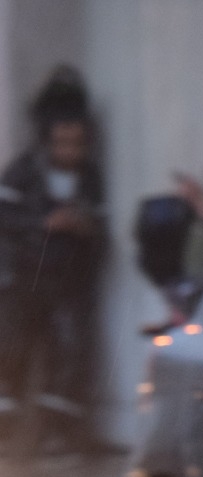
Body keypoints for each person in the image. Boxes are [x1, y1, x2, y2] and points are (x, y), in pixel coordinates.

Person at [0, 65, 110, 455]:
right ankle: (8, 440)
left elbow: (100, 224)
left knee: (66, 358)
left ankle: (56, 437)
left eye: (76, 143)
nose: (70, 152)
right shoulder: (24, 170)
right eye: (62, 143)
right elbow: (5, 216)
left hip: (67, 284)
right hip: (24, 280)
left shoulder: (90, 176)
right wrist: (43, 224)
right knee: (12, 355)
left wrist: (83, 227)